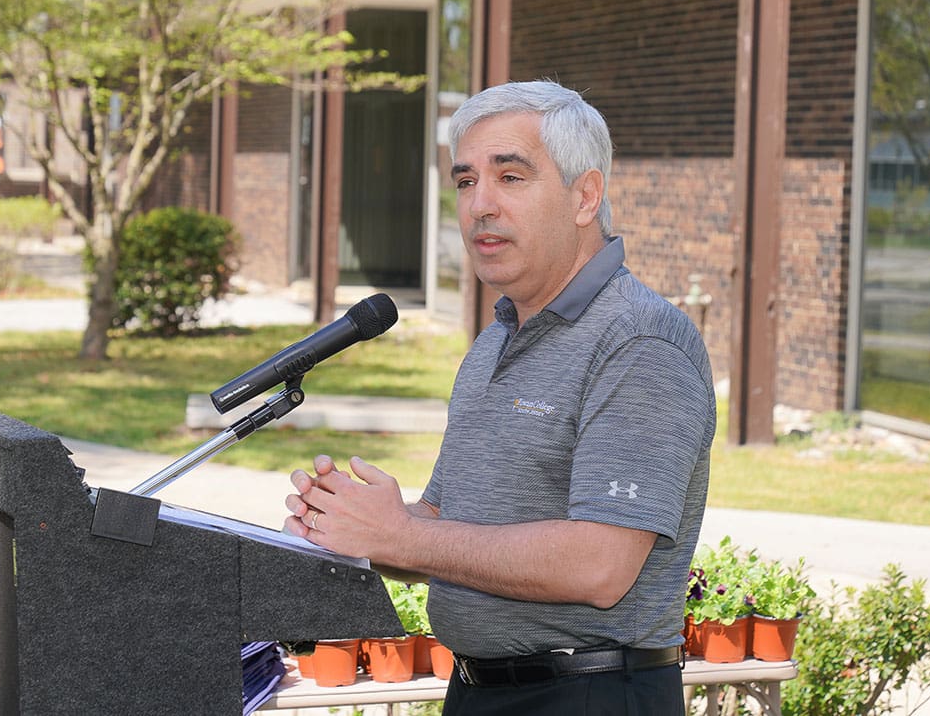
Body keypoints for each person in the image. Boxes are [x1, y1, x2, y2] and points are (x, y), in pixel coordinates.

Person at [284, 80, 716, 715]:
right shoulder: (495, 341)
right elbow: (444, 526)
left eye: (510, 177)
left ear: (585, 196)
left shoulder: (640, 341)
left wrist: (401, 536)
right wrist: (357, 527)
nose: (480, 204)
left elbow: (599, 565)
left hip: (590, 695)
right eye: (464, 182)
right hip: (478, 691)